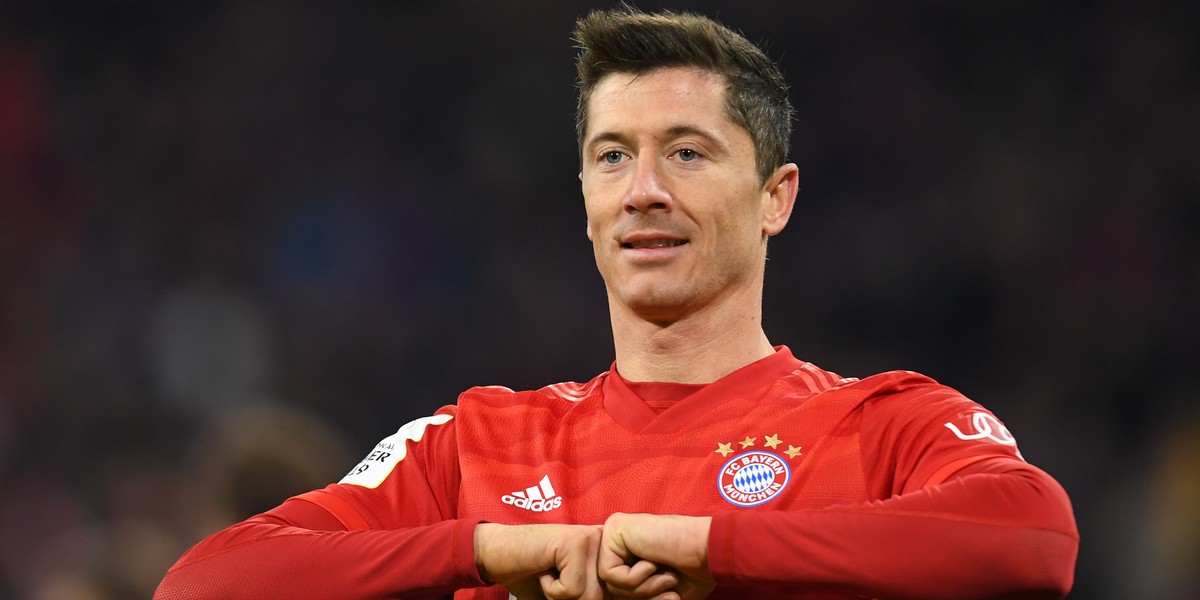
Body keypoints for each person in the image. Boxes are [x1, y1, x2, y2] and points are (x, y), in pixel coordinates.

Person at [154, 7, 1079, 600]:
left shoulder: (880, 425)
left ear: (776, 197)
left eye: (687, 152)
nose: (643, 191)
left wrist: (715, 550)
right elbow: (206, 582)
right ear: (586, 200)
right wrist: (485, 552)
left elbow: (1033, 535)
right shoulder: (472, 448)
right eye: (612, 157)